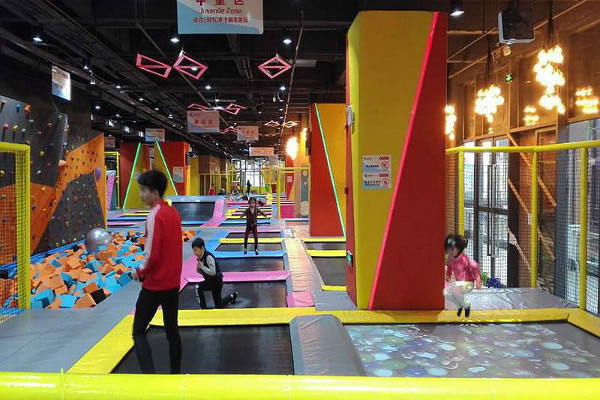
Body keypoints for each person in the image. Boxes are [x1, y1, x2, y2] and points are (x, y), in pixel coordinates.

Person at [131, 170, 182, 374]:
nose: (141, 195)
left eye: (143, 191)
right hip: (173, 284)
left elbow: (152, 254)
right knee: (172, 331)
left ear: (154, 192)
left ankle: (150, 378)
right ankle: (175, 375)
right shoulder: (173, 213)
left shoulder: (154, 215)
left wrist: (139, 272)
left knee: (138, 330)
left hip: (155, 286)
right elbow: (174, 249)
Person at [192, 238, 238, 309]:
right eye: (193, 250)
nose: (194, 253)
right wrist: (199, 268)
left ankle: (203, 308)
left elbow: (213, 272)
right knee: (218, 305)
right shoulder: (200, 257)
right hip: (211, 281)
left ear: (202, 248)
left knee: (198, 287)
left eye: (195, 250)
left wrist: (202, 267)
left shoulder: (208, 257)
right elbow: (201, 272)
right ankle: (232, 296)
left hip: (216, 281)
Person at [443, 234, 481, 318]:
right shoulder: (451, 259)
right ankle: (461, 305)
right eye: (448, 249)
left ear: (459, 248)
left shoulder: (464, 259)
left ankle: (466, 304)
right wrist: (448, 275)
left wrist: (478, 279)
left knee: (456, 289)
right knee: (445, 292)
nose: (450, 252)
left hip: (468, 283)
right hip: (459, 284)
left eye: (452, 249)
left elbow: (474, 266)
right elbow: (449, 268)